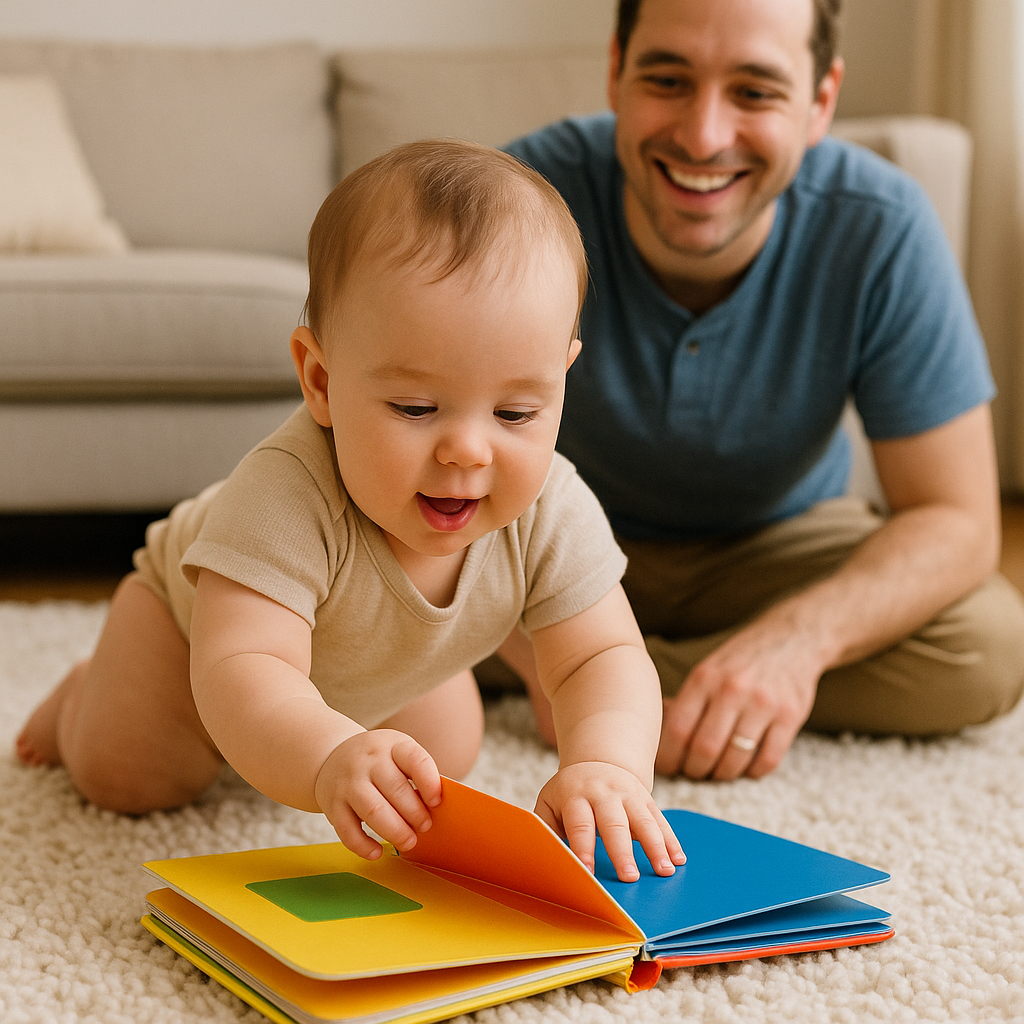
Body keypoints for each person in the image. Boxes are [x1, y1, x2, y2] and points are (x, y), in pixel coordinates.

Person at [15, 139, 685, 883]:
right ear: (321, 380)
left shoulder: (552, 507)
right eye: (416, 406)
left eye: (517, 411)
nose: (468, 450)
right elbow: (249, 667)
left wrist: (606, 765)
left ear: (562, 379)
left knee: (446, 756)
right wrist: (328, 755)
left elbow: (602, 658)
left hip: (380, 656)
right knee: (132, 775)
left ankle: (350, 711)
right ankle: (82, 693)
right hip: (194, 631)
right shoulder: (283, 497)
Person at [498, 0, 1024, 782]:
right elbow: (404, 468)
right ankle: (598, 669)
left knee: (985, 646)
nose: (704, 135)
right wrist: (535, 645)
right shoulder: (517, 206)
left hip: (773, 553)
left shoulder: (881, 223)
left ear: (820, 101)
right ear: (615, 71)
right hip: (543, 553)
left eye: (755, 91)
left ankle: (615, 679)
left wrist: (795, 643)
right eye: (668, 79)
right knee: (328, 605)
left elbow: (956, 518)